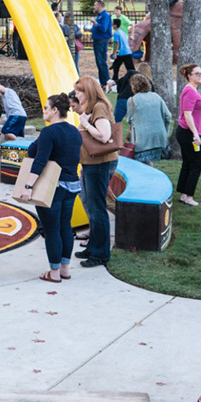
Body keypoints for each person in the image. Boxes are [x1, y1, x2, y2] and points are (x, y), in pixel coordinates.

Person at [19, 94, 82, 283]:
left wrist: (28, 186)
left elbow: (39, 160)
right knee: (65, 226)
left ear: (55, 110)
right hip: (72, 185)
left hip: (52, 187)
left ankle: (53, 272)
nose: (43, 111)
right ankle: (64, 268)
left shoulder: (49, 132)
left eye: (46, 108)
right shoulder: (74, 131)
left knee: (51, 229)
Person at [74, 75, 117, 267]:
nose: (76, 95)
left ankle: (100, 254)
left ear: (87, 92)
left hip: (99, 164)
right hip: (91, 164)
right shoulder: (92, 107)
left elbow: (104, 135)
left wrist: (85, 121)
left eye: (78, 92)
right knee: (92, 207)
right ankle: (93, 247)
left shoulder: (99, 107)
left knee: (97, 209)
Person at [127, 74, 171, 166]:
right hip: (158, 138)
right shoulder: (156, 97)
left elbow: (130, 120)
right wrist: (164, 131)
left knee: (141, 165)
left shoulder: (132, 100)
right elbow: (168, 116)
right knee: (147, 163)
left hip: (142, 139)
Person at [176, 63, 201, 206]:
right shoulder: (190, 91)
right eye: (197, 73)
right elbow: (187, 114)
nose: (200, 76)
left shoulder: (193, 90)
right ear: (189, 76)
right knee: (196, 164)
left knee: (188, 163)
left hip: (189, 132)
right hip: (188, 133)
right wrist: (196, 135)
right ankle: (189, 197)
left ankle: (184, 194)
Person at [90, 0, 112, 86]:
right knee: (99, 63)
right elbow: (97, 28)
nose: (94, 7)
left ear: (99, 5)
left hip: (101, 41)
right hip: (97, 40)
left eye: (95, 5)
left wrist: (94, 22)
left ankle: (107, 82)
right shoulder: (99, 16)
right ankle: (103, 83)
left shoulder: (105, 16)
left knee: (101, 62)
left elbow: (103, 28)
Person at [109, 18, 134, 83]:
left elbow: (116, 43)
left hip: (122, 52)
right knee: (129, 67)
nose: (112, 25)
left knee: (117, 66)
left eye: (113, 24)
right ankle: (115, 78)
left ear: (115, 25)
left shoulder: (116, 33)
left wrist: (114, 53)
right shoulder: (122, 32)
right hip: (127, 51)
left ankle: (115, 79)